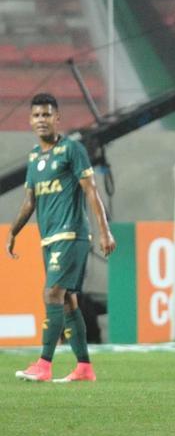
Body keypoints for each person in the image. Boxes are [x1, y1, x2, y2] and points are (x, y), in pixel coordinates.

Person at [11, 93, 117, 383]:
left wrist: (104, 231)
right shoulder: (35, 157)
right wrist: (13, 231)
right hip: (49, 239)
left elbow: (91, 190)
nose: (41, 120)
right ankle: (84, 367)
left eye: (47, 115)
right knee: (68, 301)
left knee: (52, 294)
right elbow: (29, 201)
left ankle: (44, 364)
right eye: (36, 115)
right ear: (30, 121)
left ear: (57, 118)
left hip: (71, 235)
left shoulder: (72, 149)